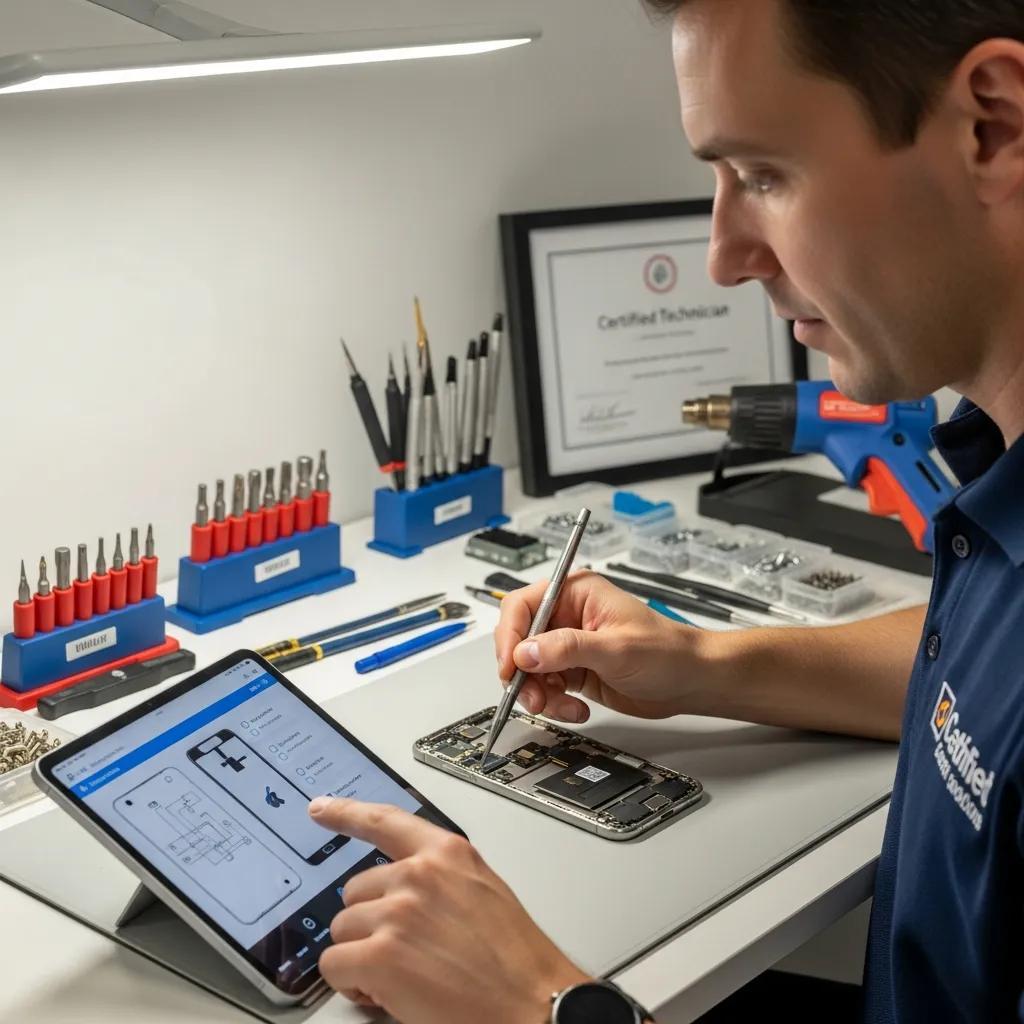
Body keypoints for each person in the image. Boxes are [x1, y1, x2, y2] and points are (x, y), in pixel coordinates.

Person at [306, 1, 1024, 1020]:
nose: (724, 256)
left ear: (989, 126)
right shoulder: (999, 482)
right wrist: (697, 665)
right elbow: (978, 686)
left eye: (765, 175)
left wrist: (538, 1001)